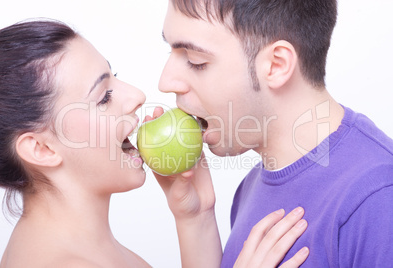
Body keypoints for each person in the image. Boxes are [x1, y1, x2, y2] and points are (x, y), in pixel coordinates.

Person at [0, 19, 309, 267]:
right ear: (41, 149)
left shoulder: (84, 249)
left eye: (114, 76)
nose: (137, 96)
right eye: (104, 97)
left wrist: (194, 219)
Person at [155, 0, 393, 267]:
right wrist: (196, 220)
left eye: (195, 61)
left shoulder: (379, 199)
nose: (165, 82)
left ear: (276, 65)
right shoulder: (251, 188)